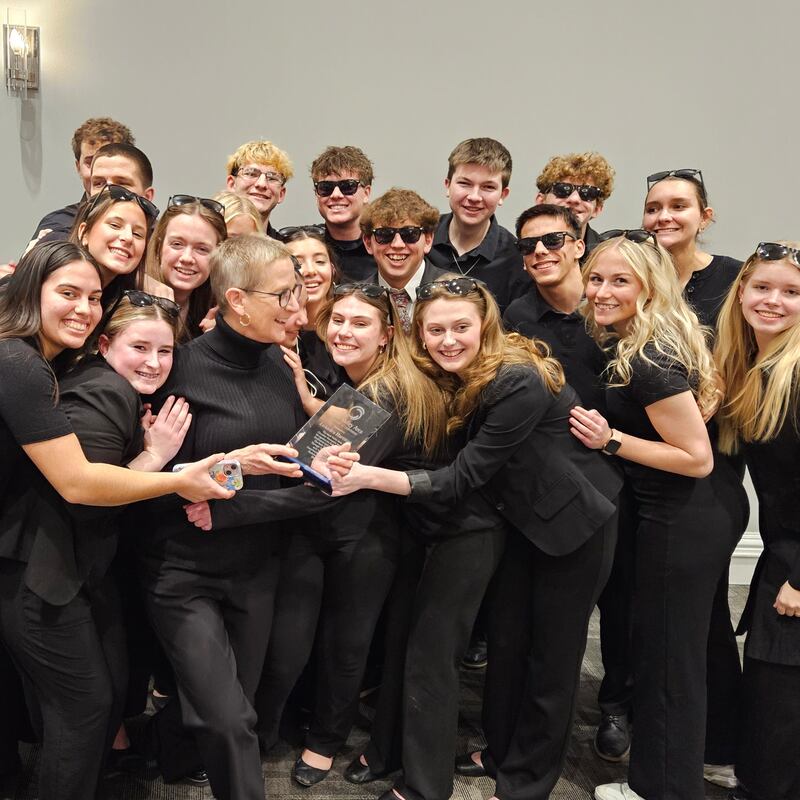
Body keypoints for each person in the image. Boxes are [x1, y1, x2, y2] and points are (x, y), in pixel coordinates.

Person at [330, 276, 621, 800]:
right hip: (511, 522)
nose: (447, 340)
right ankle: (500, 752)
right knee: (507, 649)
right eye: (435, 330)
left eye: (460, 327)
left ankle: (524, 785)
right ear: (416, 334)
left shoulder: (517, 379)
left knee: (551, 662)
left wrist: (369, 477)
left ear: (485, 324)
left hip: (570, 524)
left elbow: (462, 477)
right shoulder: (444, 371)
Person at [0, 241, 234, 800]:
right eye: (67, 293)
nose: (82, 307)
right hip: (35, 573)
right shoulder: (20, 363)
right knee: (82, 712)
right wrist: (175, 474)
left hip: (48, 568)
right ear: (32, 291)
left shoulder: (51, 364)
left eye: (92, 296)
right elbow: (79, 484)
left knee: (85, 710)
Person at [133, 235, 323, 800]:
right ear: (237, 300)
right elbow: (141, 484)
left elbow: (315, 484)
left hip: (257, 567)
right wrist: (204, 488)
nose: (299, 309)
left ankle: (166, 753)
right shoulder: (177, 371)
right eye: (284, 295)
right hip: (180, 573)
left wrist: (232, 508)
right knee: (230, 722)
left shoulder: (281, 365)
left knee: (240, 706)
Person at [569, 232, 746, 800]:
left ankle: (660, 788)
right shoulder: (661, 337)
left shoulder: (646, 358)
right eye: (596, 278)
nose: (601, 290)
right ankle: (711, 758)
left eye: (620, 280)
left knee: (669, 660)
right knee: (689, 650)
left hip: (680, 514)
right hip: (697, 514)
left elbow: (695, 458)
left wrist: (610, 439)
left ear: (649, 287)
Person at [641, 168, 747, 787]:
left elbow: (751, 350)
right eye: (654, 206)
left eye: (679, 205)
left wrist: (715, 392)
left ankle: (709, 750)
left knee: (692, 625)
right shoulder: (643, 275)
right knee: (694, 620)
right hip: (651, 470)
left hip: (708, 467)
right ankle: (717, 744)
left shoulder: (730, 280)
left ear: (705, 214)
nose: (664, 217)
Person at [714, 241, 800, 800]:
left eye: (791, 292)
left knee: (779, 705)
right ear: (740, 291)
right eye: (762, 287)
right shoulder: (755, 369)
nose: (772, 301)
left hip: (796, 563)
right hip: (782, 550)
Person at [428, 137, 529, 314]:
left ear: (503, 195)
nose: (474, 197)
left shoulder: (516, 258)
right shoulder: (418, 238)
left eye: (488, 187)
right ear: (447, 186)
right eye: (464, 184)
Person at [29, 117, 135, 244]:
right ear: (78, 167)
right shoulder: (57, 225)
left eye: (110, 163)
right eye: (90, 163)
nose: (99, 172)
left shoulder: (151, 231)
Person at [360, 188, 446, 333]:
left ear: (428, 240)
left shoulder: (464, 296)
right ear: (368, 243)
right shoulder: (355, 301)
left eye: (410, 234)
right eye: (385, 234)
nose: (397, 244)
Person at [145, 194, 228, 341]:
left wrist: (217, 344)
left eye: (202, 249)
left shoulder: (218, 311)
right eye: (177, 244)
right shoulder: (131, 299)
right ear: (159, 246)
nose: (187, 258)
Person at [310, 145, 376, 281]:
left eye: (347, 186)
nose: (336, 195)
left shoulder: (387, 246)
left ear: (366, 192)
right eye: (325, 188)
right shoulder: (303, 247)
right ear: (316, 194)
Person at [535, 151, 614, 257]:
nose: (574, 199)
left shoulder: (607, 256)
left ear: (597, 209)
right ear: (541, 201)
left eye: (587, 193)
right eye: (563, 189)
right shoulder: (519, 252)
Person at [225, 139, 293, 237]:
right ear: (231, 184)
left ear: (281, 194)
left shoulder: (286, 250)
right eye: (251, 174)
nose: (262, 184)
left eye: (272, 178)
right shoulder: (209, 243)